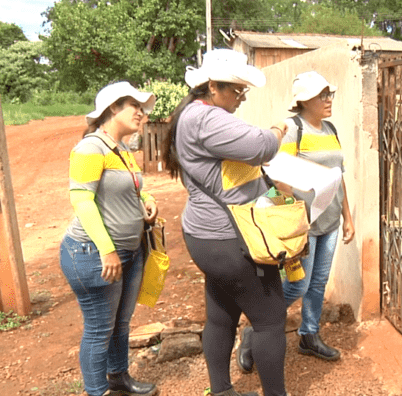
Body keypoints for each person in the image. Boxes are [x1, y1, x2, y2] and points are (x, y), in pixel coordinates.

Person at [162, 49, 289, 396]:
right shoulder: (206, 118)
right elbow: (261, 145)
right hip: (229, 237)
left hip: (208, 235)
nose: (240, 98)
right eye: (236, 91)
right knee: (270, 320)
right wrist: (278, 129)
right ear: (213, 87)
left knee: (221, 315)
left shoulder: (194, 115)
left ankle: (221, 391)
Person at [237, 71, 355, 373]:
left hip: (329, 221)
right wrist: (292, 208)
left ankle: (309, 335)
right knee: (298, 285)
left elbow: (337, 176)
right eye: (322, 95)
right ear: (304, 101)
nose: (329, 100)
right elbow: (279, 175)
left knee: (317, 283)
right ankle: (255, 329)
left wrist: (348, 216)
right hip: (301, 225)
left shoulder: (330, 128)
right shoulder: (293, 129)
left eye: (330, 94)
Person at [60, 81, 159, 396]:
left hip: (130, 250)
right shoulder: (90, 147)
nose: (142, 114)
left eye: (143, 109)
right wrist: (107, 250)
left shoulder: (123, 148)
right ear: (113, 108)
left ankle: (118, 378)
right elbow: (82, 201)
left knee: (121, 323)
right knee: (99, 328)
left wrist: (147, 197)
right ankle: (97, 390)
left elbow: (130, 186)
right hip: (94, 253)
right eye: (135, 107)